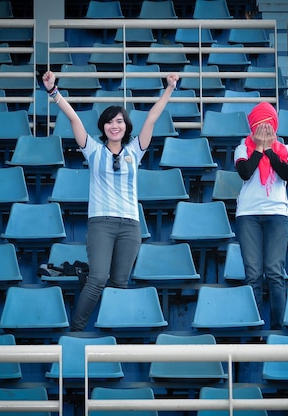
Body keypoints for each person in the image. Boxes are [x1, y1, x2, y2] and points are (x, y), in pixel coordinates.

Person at [42, 70, 179, 332]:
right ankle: (76, 331)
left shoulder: (134, 151)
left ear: (126, 126)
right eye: (109, 122)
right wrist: (53, 92)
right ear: (103, 127)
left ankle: (113, 335)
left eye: (119, 121)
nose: (114, 125)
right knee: (98, 278)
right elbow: (73, 118)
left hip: (130, 225)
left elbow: (151, 119)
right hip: (101, 224)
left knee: (119, 283)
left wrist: (169, 89)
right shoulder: (93, 149)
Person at [233, 102, 288, 330]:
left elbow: (286, 172)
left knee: (275, 272)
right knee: (253, 274)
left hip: (277, 214)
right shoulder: (242, 149)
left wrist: (269, 148)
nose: (264, 130)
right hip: (248, 215)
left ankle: (278, 329)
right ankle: (254, 329)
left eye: (267, 125)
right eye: (259, 126)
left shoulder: (286, 150)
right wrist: (258, 148)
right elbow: (245, 172)